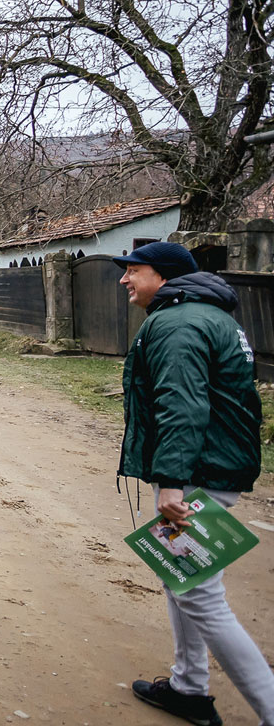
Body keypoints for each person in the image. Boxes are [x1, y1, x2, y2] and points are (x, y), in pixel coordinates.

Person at [114, 241, 273, 726]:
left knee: (201, 595)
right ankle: (188, 687)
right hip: (216, 465)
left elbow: (181, 405)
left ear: (163, 276)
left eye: (134, 270)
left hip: (200, 473)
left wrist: (172, 482)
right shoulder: (209, 316)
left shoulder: (178, 324)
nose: (124, 279)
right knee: (181, 577)